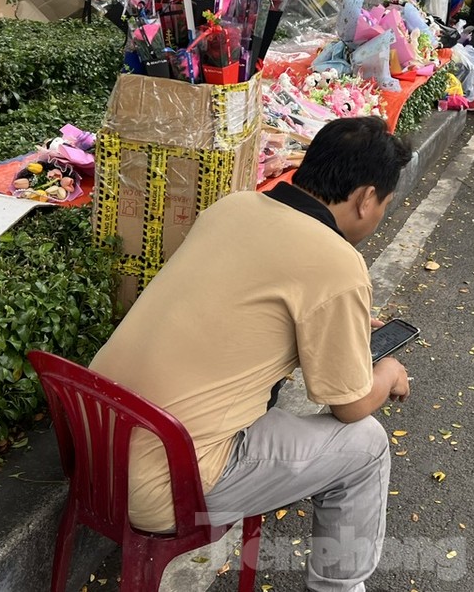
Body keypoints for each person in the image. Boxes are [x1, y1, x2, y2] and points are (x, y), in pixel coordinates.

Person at [89, 117, 412, 592]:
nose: (378, 213)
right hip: (165, 485)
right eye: (383, 204)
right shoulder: (337, 262)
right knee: (366, 445)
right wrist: (387, 374)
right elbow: (349, 405)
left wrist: (340, 322)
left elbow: (245, 308)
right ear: (366, 198)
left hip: (97, 447)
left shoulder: (234, 206)